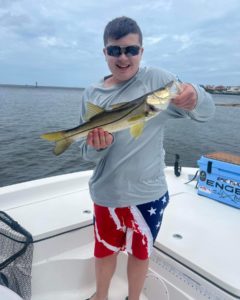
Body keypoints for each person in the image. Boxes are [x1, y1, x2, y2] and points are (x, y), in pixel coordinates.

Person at [79, 16, 215, 300]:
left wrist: (195, 95)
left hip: (148, 194)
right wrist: (98, 146)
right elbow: (86, 154)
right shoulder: (92, 93)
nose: (123, 57)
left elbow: (205, 112)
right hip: (108, 193)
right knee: (104, 251)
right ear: (104, 52)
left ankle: (133, 298)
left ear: (142, 50)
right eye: (115, 50)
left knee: (141, 254)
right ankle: (100, 296)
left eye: (131, 49)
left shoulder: (158, 80)